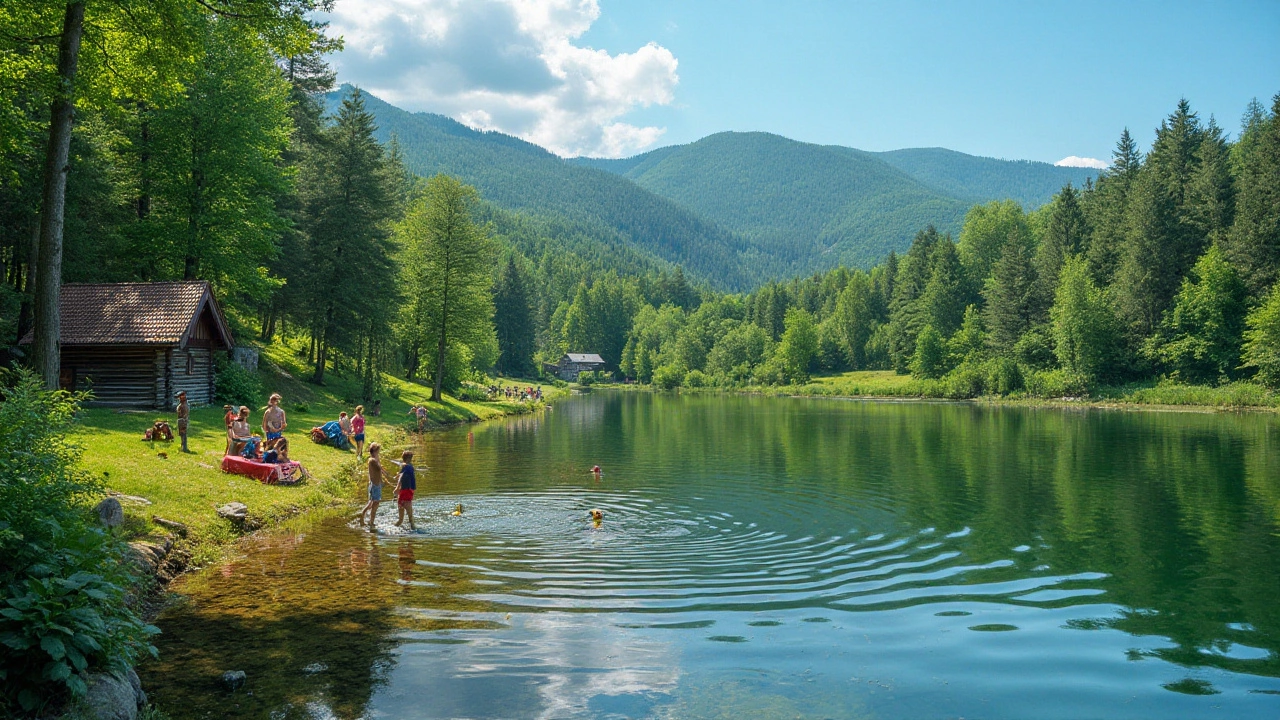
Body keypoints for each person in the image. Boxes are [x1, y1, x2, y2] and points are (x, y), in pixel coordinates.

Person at [357, 442, 386, 530]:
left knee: (371, 503)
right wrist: (378, 461)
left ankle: (365, 517)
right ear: (374, 451)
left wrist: (382, 481)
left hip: (377, 484)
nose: (379, 453)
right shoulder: (372, 460)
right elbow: (378, 469)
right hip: (374, 485)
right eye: (378, 451)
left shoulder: (375, 460)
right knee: (375, 503)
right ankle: (370, 521)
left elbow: (380, 472)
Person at [393, 450, 417, 530]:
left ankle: (393, 528)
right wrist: (397, 487)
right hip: (408, 491)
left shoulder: (405, 466)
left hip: (403, 492)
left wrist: (397, 487)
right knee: (411, 519)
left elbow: (400, 476)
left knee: (400, 520)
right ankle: (413, 531)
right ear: (409, 458)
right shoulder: (409, 467)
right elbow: (401, 476)